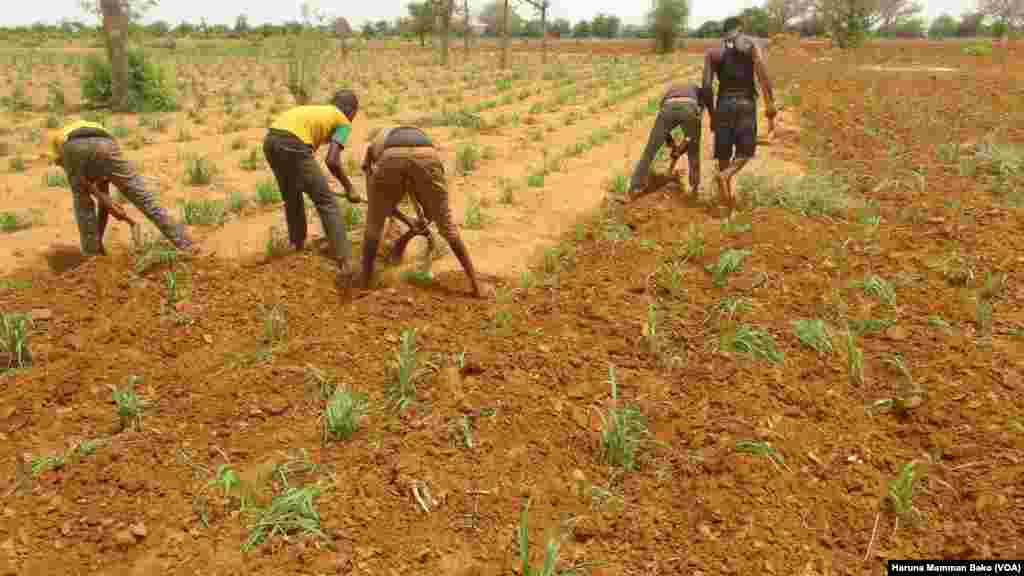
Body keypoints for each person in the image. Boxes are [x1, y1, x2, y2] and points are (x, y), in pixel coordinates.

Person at [358, 126, 484, 298]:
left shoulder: (373, 149)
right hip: (427, 156)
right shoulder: (414, 136)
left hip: (391, 157)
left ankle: (364, 284)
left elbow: (377, 201)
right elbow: (431, 208)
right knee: (447, 226)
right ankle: (476, 286)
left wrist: (399, 224)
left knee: (373, 227)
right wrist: (417, 222)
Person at [47, 119, 196, 258]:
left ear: (59, 159)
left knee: (83, 205)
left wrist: (96, 240)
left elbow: (98, 198)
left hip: (74, 146)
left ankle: (93, 258)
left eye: (60, 164)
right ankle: (186, 245)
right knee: (143, 198)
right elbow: (103, 198)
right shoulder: (87, 131)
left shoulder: (59, 146)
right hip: (107, 145)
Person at [263, 89, 361, 276]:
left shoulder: (319, 111)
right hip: (293, 143)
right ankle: (346, 261)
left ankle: (297, 245)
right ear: (350, 110)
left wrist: (313, 183)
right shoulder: (343, 121)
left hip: (271, 140)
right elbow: (332, 160)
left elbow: (304, 158)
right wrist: (350, 188)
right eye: (355, 114)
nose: (353, 118)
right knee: (326, 203)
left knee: (292, 196)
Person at [702, 16, 777, 212]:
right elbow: (762, 74)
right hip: (745, 103)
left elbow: (706, 88)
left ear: (724, 32)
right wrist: (770, 103)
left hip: (724, 104)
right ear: (740, 29)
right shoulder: (750, 44)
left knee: (723, 153)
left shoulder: (713, 52)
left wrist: (712, 115)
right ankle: (726, 176)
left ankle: (725, 203)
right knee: (745, 151)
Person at [628, 82, 709, 199]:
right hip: (689, 108)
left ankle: (634, 188)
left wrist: (675, 146)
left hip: (667, 107)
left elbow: (664, 128)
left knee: (649, 152)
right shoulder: (699, 95)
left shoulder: (671, 91)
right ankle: (694, 190)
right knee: (694, 153)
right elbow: (692, 135)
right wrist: (680, 147)